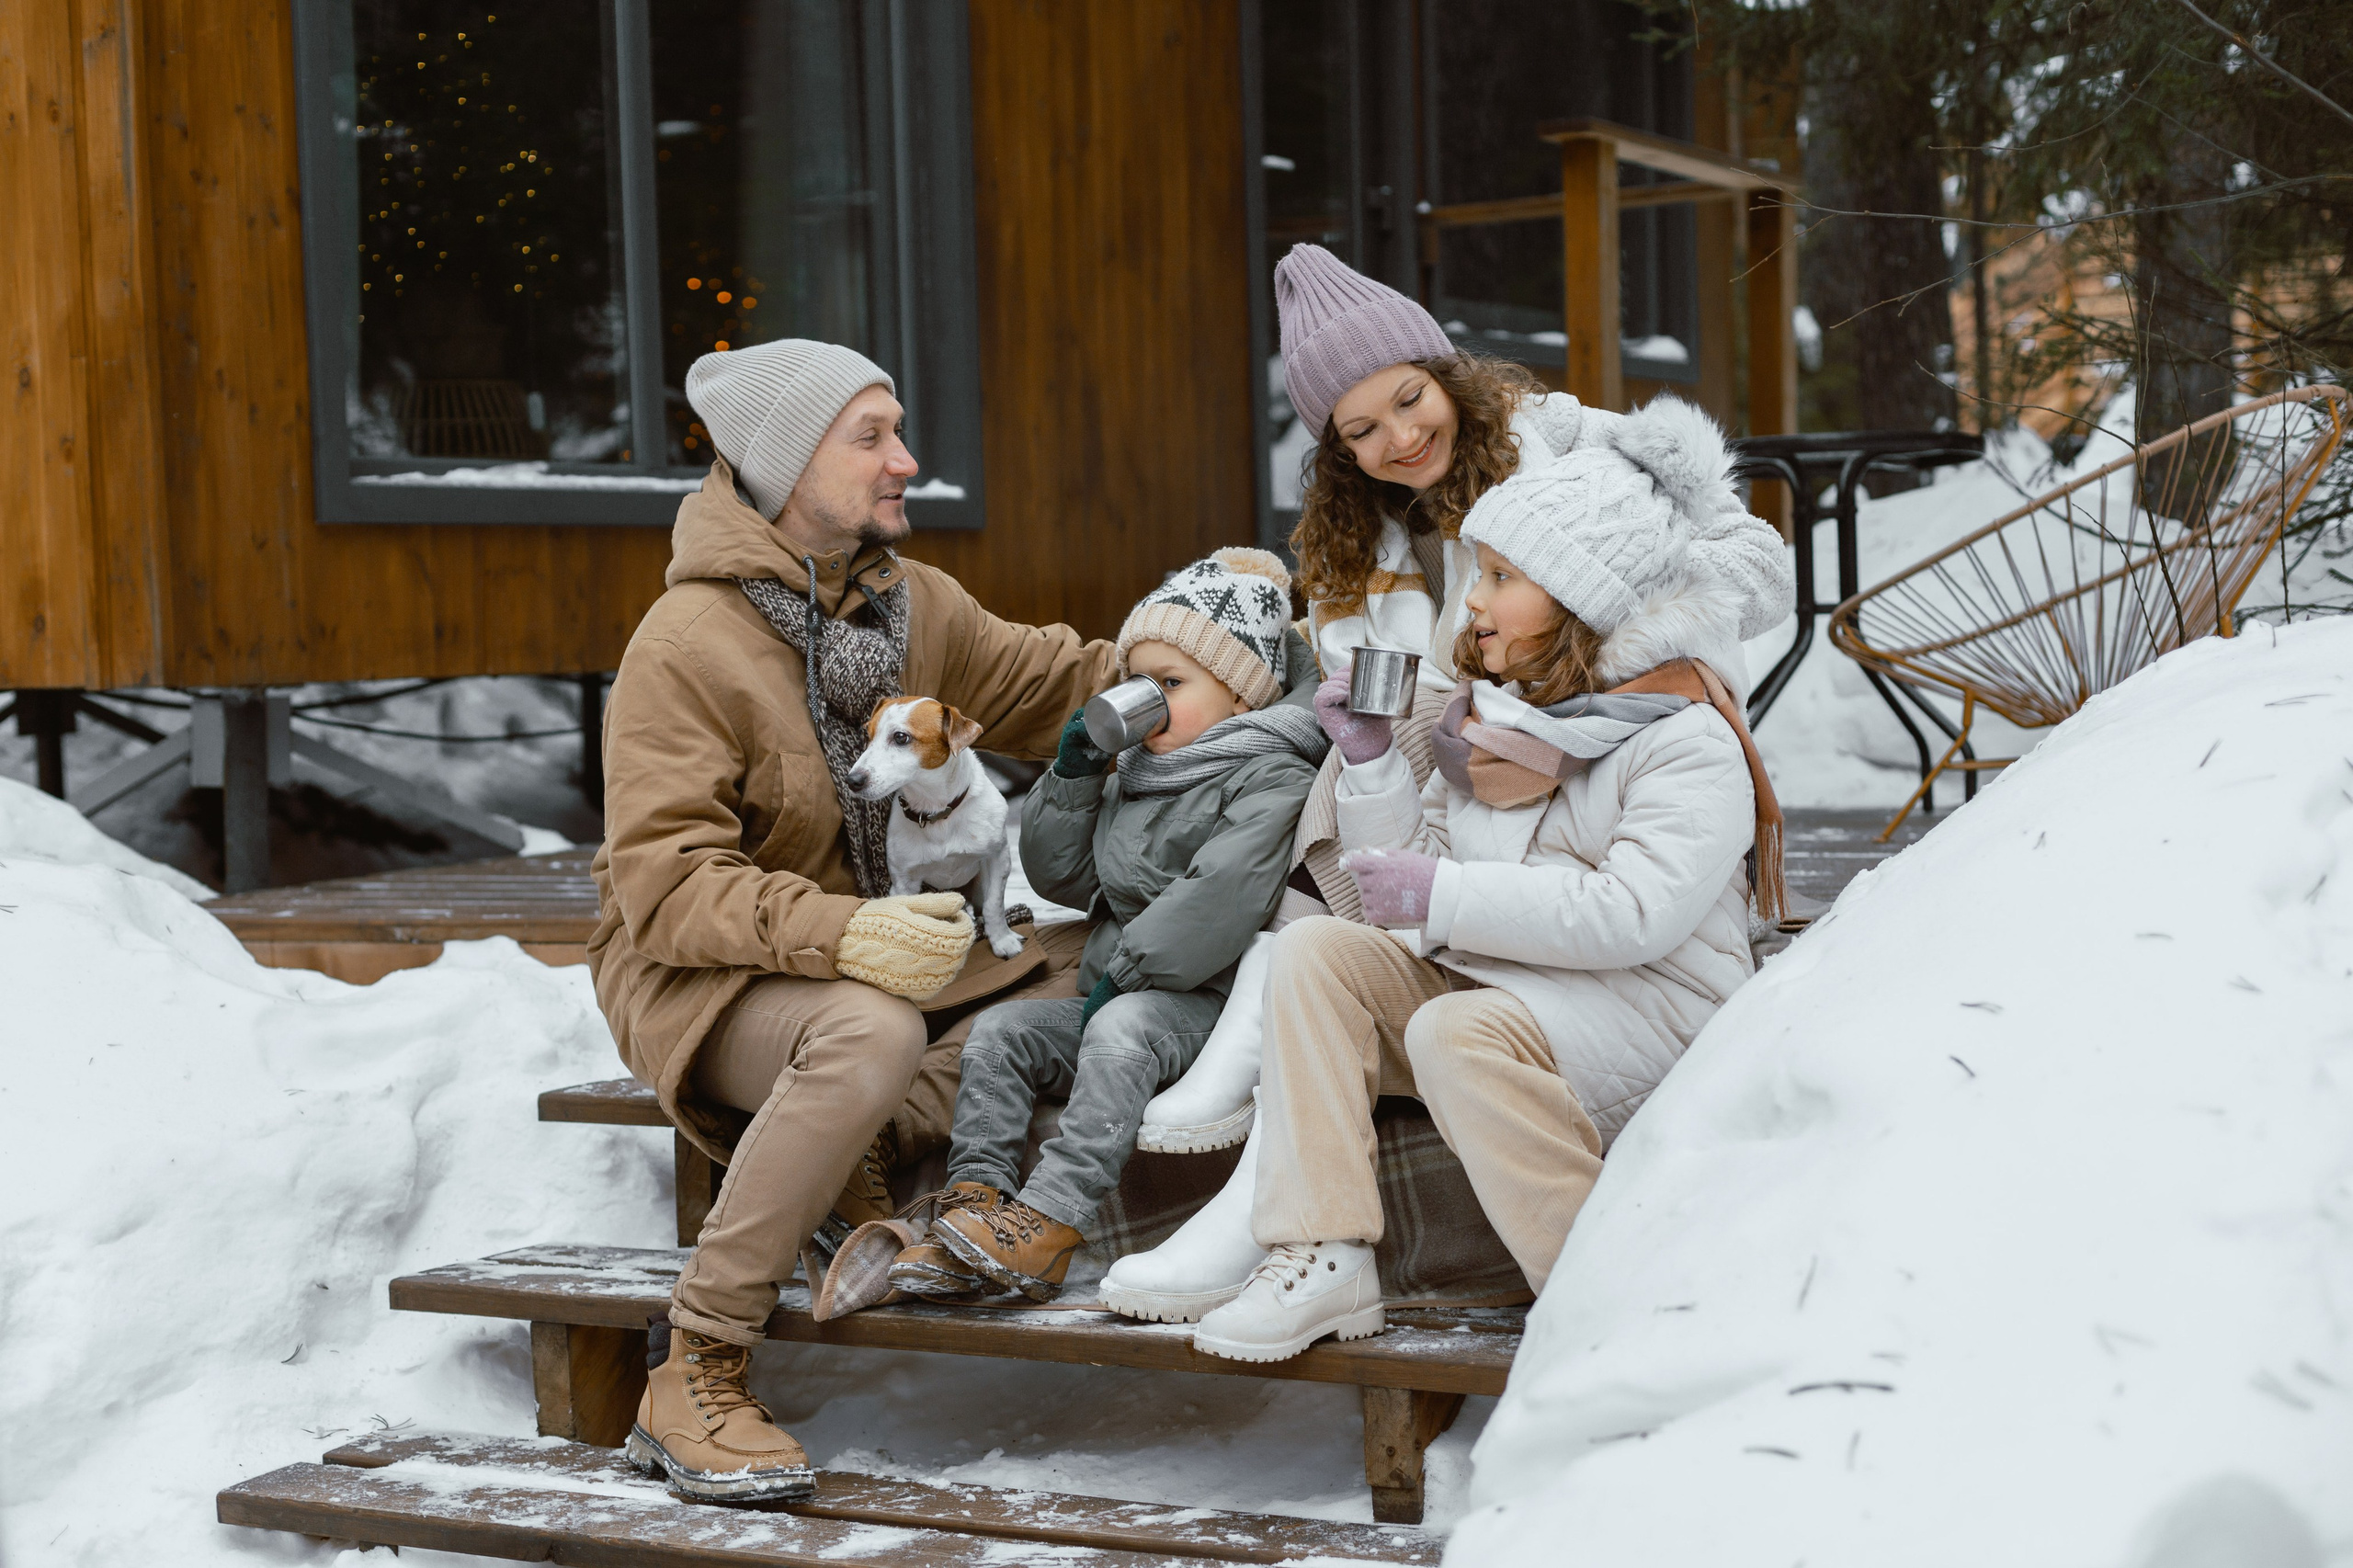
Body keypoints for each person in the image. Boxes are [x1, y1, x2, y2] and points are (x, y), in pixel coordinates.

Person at [590, 337, 1117, 1503]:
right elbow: (663, 888)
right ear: (784, 468)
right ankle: (698, 1366)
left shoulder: (915, 605)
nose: (906, 461)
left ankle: (859, 1164)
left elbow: (1063, 678)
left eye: (898, 431)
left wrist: (1222, 662)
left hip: (896, 942)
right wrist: (842, 938)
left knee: (1112, 949)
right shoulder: (684, 648)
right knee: (867, 1033)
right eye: (870, 437)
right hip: (713, 977)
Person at [1188, 394, 1792, 1364]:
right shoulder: (1498, 716)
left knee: (1448, 1026)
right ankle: (1323, 1248)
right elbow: (1418, 867)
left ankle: (1598, 1295)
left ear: (1580, 596)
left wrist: (1445, 898)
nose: (1471, 598)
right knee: (1315, 953)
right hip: (1508, 983)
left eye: (1502, 576)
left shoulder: (1685, 739)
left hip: (1647, 1006)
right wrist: (1376, 759)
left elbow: (1632, 915)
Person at [886, 550, 1329, 1301]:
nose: (1146, 700)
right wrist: (1076, 776)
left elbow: (1217, 899)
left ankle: (1048, 1223)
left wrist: (1124, 974)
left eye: (1172, 685)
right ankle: (974, 1211)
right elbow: (1063, 877)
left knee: (1122, 1028)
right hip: (1119, 992)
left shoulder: (1273, 771)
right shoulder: (1142, 768)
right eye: (1138, 681)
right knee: (1002, 1033)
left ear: (1242, 692)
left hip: (1209, 1007)